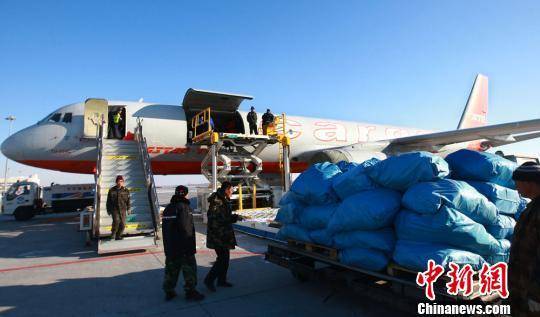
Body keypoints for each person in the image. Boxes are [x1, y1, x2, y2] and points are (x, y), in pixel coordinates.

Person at [162, 185, 205, 302]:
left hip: (170, 247)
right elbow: (186, 229)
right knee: (189, 270)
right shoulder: (185, 208)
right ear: (185, 194)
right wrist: (189, 248)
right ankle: (190, 291)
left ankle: (169, 291)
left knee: (171, 270)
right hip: (183, 247)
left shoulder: (168, 208)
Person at [508, 161, 540, 316]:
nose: (516, 187)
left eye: (518, 182)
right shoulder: (532, 207)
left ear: (529, 183)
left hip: (533, 293)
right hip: (522, 289)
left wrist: (536, 295)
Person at [204, 182, 243, 291]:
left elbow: (223, 215)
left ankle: (221, 280)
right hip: (218, 235)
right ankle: (209, 280)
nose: (232, 192)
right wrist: (232, 219)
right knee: (222, 259)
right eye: (231, 189)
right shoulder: (217, 201)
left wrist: (233, 216)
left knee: (225, 259)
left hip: (224, 234)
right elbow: (214, 218)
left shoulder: (223, 199)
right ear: (226, 189)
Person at [106, 175, 130, 240]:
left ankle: (118, 235)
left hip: (123, 210)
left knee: (123, 224)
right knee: (116, 221)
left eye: (121, 181)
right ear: (116, 182)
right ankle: (113, 233)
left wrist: (129, 209)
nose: (120, 183)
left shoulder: (126, 190)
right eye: (119, 181)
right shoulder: (111, 190)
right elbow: (108, 201)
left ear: (123, 182)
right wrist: (108, 210)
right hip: (115, 210)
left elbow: (128, 201)